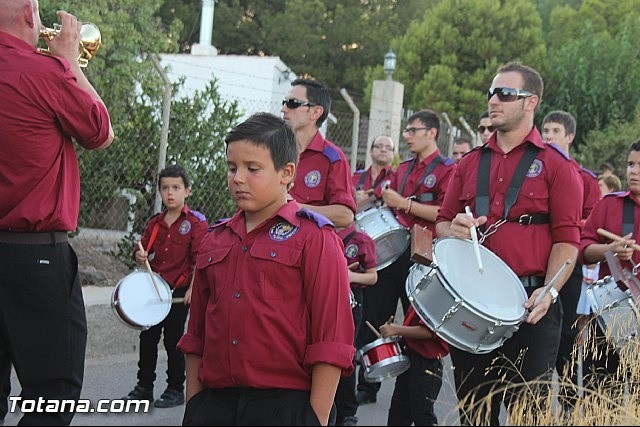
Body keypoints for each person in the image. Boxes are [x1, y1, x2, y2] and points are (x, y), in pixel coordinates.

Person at [177, 112, 355, 426]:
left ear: (286, 172)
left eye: (252, 169)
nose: (238, 178)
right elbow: (196, 336)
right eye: (232, 168)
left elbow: (332, 338)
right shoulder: (215, 239)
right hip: (216, 404)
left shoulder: (315, 238)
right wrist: (195, 406)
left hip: (282, 406)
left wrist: (315, 418)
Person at [435, 62, 583, 425]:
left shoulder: (557, 166)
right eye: (491, 93)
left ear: (530, 102)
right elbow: (440, 223)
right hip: (473, 307)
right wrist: (452, 229)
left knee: (527, 416)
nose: (493, 101)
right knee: (475, 415)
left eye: (505, 94)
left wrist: (548, 292)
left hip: (531, 307)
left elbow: (567, 241)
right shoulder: (468, 163)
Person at [0, 1, 114, 424]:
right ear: (30, 16)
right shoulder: (44, 72)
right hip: (35, 255)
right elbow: (101, 132)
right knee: (54, 391)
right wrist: (69, 64)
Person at [356, 109, 456, 405]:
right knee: (375, 315)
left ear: (432, 133)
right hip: (393, 251)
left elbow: (443, 213)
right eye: (407, 131)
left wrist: (405, 204)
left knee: (418, 322)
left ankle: (414, 382)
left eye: (413, 130)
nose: (408, 136)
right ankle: (370, 381)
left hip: (423, 254)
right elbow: (383, 200)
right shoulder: (402, 169)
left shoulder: (446, 169)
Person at [121, 165, 208, 408]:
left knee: (174, 341)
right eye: (165, 188)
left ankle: (174, 389)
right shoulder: (155, 223)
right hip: (154, 290)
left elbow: (200, 260)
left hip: (178, 292)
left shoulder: (195, 223)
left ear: (187, 191)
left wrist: (193, 289)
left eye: (176, 188)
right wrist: (140, 257)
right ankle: (144, 386)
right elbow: (143, 251)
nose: (170, 193)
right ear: (159, 191)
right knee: (148, 339)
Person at [541, 110, 601, 414]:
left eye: (555, 131)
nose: (548, 136)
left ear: (569, 137)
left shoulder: (585, 179)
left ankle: (568, 404)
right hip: (538, 263)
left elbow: (590, 225)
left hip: (570, 267)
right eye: (545, 130)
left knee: (566, 338)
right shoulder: (534, 171)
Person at [580, 140, 640, 399]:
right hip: (608, 313)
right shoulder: (609, 205)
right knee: (600, 397)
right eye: (630, 164)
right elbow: (583, 249)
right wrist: (611, 249)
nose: (633, 171)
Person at [282, 78, 356, 228]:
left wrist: (294, 208)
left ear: (315, 112)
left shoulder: (332, 158)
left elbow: (345, 215)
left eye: (292, 103)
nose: (283, 109)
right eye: (284, 102)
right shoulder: (273, 151)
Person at [334, 225, 378, 427]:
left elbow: (372, 276)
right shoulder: (319, 233)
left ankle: (347, 412)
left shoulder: (360, 239)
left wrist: (350, 276)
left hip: (352, 299)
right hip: (326, 296)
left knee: (345, 353)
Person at [379, 306, 449, 426]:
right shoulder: (424, 291)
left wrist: (397, 329)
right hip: (411, 356)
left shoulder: (439, 295)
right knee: (398, 413)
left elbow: (429, 331)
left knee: (422, 415)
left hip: (427, 364)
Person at [352, 135, 395, 211]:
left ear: (393, 155)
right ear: (371, 151)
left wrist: (371, 196)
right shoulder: (356, 177)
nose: (383, 150)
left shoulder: (397, 178)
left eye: (388, 148)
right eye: (379, 146)